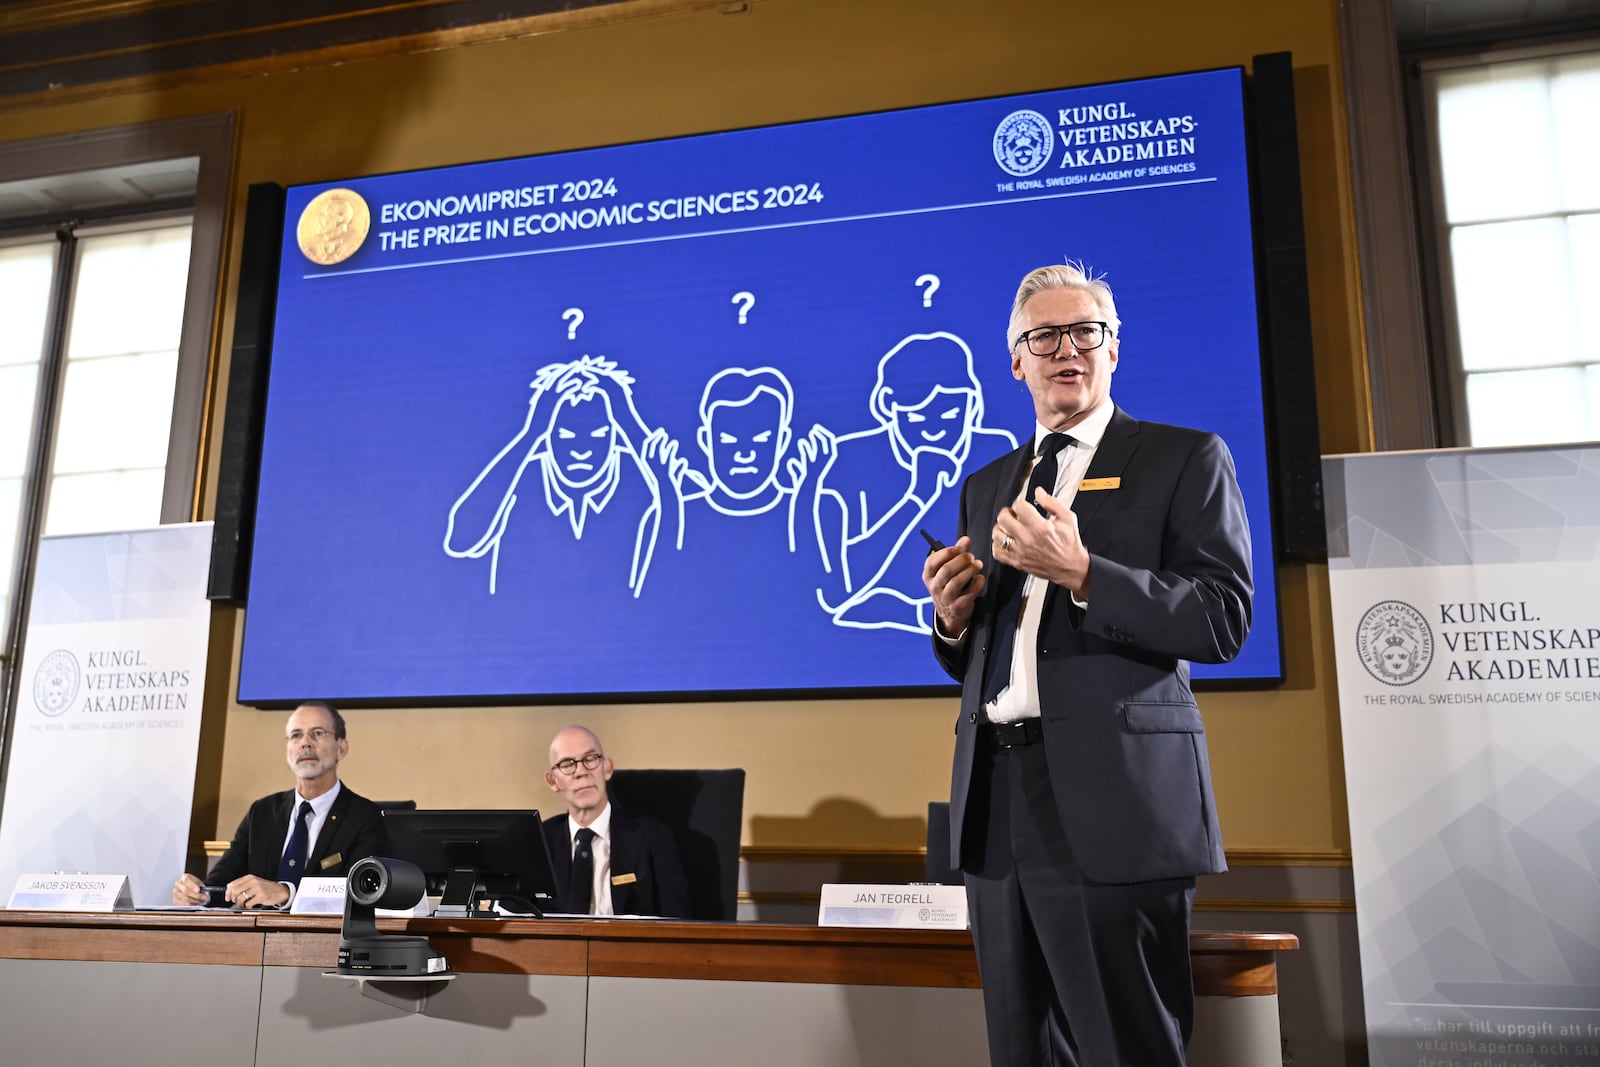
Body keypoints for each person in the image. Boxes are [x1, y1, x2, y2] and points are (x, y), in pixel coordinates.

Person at [921, 262, 1253, 1066]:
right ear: (1016, 360)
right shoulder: (988, 484)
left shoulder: (1183, 458)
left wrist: (1084, 572)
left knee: (1124, 1046)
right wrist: (953, 620)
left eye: (1085, 333)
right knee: (1021, 1049)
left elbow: (1223, 618)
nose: (1065, 349)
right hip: (996, 808)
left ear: (1113, 350)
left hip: (1114, 809)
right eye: (1044, 336)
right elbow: (995, 651)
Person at [800, 331, 1016, 633]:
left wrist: (899, 610)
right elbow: (841, 591)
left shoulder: (995, 449)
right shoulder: (848, 460)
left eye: (952, 413)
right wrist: (916, 497)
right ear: (888, 409)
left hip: (974, 649)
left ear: (973, 406)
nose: (936, 430)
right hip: (862, 656)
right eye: (916, 418)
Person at [173, 700, 387, 909]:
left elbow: (361, 892)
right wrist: (200, 894)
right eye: (296, 735)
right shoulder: (262, 812)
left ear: (341, 748)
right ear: (287, 752)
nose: (305, 743)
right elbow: (223, 882)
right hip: (254, 939)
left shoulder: (366, 817)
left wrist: (287, 894)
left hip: (325, 940)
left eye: (318, 733)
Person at [540, 725, 689, 917]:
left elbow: (677, 922)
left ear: (607, 768)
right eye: (567, 765)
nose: (581, 772)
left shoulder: (653, 837)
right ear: (553, 781)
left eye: (590, 759)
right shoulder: (539, 842)